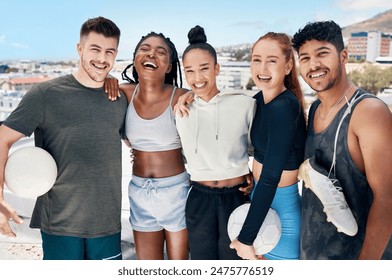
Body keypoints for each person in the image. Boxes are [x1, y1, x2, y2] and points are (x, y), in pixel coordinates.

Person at [0, 17, 127, 260]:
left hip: (107, 225)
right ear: (79, 49)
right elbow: (2, 139)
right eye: (95, 49)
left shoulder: (119, 98)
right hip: (60, 224)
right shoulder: (45, 95)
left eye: (109, 52)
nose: (102, 58)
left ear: (116, 54)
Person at [292, 20, 392, 260]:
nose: (313, 64)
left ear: (343, 56)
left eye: (322, 53)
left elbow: (388, 198)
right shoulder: (315, 108)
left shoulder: (368, 111)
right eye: (304, 58)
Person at [105, 32, 190, 260]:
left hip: (176, 193)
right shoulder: (124, 92)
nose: (151, 53)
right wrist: (109, 79)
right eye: (144, 49)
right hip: (139, 191)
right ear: (134, 59)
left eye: (161, 52)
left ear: (170, 67)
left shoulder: (182, 97)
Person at [175, 25, 255, 260]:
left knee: (236, 263)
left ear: (217, 68)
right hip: (199, 198)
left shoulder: (244, 104)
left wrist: (252, 176)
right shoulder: (181, 109)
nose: (197, 78)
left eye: (204, 69)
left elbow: (256, 149)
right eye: (190, 71)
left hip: (237, 195)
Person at [228, 32, 307, 260]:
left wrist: (246, 239)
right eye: (256, 59)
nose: (262, 68)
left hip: (282, 214)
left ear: (288, 66)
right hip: (261, 202)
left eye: (272, 61)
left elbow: (272, 178)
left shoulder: (284, 107)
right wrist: (185, 97)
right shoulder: (261, 100)